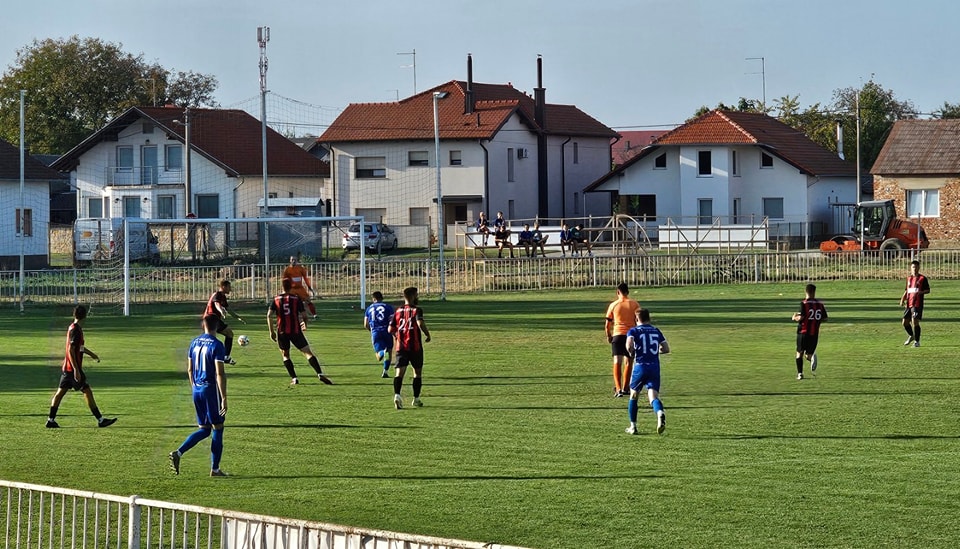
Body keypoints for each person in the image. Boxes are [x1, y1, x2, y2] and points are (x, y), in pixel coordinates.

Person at [169, 314, 228, 476]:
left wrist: (194, 387)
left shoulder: (194, 342)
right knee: (218, 427)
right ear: (218, 327)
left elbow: (189, 369)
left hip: (197, 388)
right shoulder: (217, 345)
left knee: (204, 429)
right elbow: (220, 374)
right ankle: (215, 469)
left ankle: (178, 452)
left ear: (204, 325)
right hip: (210, 390)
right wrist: (223, 398)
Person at [45, 305, 117, 429]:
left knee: (60, 393)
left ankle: (50, 420)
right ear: (85, 316)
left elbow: (78, 348)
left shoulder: (72, 327)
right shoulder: (76, 330)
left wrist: (91, 354)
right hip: (72, 369)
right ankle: (100, 420)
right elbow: (71, 350)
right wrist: (76, 370)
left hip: (67, 368)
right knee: (87, 391)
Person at [268, 278, 334, 385]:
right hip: (295, 331)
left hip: (282, 332)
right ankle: (320, 373)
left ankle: (294, 378)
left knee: (285, 355)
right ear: (291, 287)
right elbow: (304, 315)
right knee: (307, 352)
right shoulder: (295, 299)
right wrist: (304, 324)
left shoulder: (276, 299)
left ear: (282, 287)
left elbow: (269, 315)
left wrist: (271, 331)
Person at [624, 308, 669, 435]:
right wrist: (654, 351)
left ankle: (633, 426)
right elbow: (666, 348)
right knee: (653, 397)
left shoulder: (633, 331)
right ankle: (660, 413)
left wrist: (631, 351)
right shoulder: (656, 331)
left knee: (634, 395)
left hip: (640, 366)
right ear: (649, 318)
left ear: (637, 319)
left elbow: (629, 345)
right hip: (654, 367)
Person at [388, 286, 432, 409]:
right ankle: (416, 399)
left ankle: (397, 395)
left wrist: (398, 336)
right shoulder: (417, 310)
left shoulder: (398, 311)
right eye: (417, 295)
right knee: (417, 373)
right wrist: (427, 334)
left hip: (401, 347)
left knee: (399, 373)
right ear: (413, 296)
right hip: (415, 347)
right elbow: (420, 323)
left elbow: (390, 329)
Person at [605, 283, 641, 397]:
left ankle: (618, 388)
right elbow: (639, 321)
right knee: (629, 361)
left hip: (617, 335)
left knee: (617, 361)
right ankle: (626, 387)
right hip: (630, 336)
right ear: (628, 292)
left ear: (617, 292)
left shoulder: (613, 305)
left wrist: (609, 336)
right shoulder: (635, 304)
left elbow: (607, 324)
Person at [204, 279, 245, 365]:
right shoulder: (217, 295)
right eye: (229, 287)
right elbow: (216, 304)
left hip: (214, 319)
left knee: (228, 334)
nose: (230, 289)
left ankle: (225, 357)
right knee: (211, 339)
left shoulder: (223, 296)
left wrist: (237, 317)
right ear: (223, 287)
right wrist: (221, 310)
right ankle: (210, 357)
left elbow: (228, 308)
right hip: (211, 318)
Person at [791, 283, 828, 380]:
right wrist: (816, 321)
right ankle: (812, 357)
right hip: (814, 333)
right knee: (808, 355)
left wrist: (794, 317)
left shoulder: (803, 303)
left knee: (799, 353)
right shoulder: (820, 304)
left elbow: (801, 317)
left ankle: (800, 374)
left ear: (806, 291)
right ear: (814, 292)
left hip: (803, 332)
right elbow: (825, 318)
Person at [364, 290, 396, 378]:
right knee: (389, 352)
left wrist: (371, 331)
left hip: (375, 332)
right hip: (387, 331)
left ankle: (382, 352)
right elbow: (392, 321)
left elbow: (365, 324)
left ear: (373, 299)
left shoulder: (369, 308)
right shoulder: (388, 307)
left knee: (378, 355)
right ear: (382, 298)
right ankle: (385, 372)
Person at [900, 259, 930, 348]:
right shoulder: (909, 278)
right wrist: (902, 299)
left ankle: (917, 341)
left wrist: (920, 292)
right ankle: (911, 335)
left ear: (919, 268)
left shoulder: (922, 278)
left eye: (916, 267)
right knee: (904, 322)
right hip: (909, 303)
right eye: (913, 267)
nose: (914, 269)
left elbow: (928, 290)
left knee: (915, 321)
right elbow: (907, 290)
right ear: (911, 268)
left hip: (917, 304)